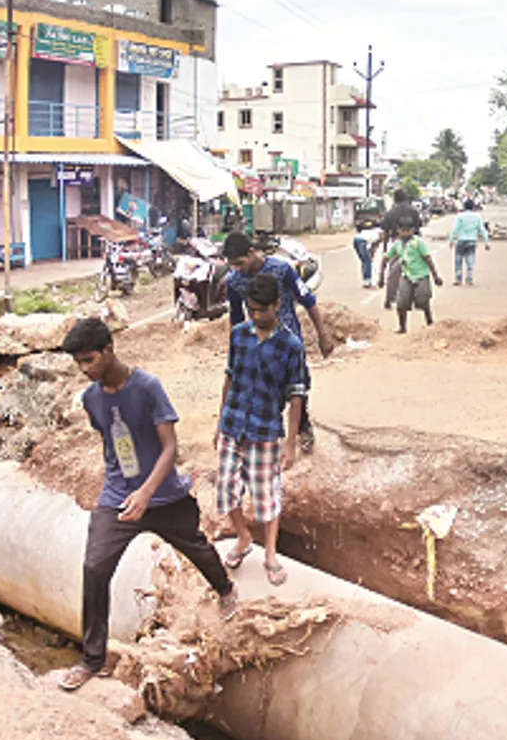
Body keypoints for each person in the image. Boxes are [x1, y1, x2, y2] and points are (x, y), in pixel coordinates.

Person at [58, 317, 236, 692]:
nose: (85, 370)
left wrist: (146, 493)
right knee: (94, 567)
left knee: (197, 548)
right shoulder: (91, 398)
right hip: (118, 497)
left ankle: (225, 589)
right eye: (79, 364)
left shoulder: (148, 387)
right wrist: (125, 489)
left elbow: (171, 448)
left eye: (90, 360)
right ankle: (92, 658)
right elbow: (109, 442)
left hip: (164, 495)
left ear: (109, 349)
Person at [217, 272, 307, 587]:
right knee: (226, 490)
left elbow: (296, 394)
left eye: (261, 310)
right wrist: (219, 422)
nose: (255, 316)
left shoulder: (291, 345)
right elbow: (229, 376)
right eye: (251, 309)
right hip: (233, 425)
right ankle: (243, 538)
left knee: (266, 496)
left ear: (277, 305)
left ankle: (270, 554)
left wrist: (291, 442)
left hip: (265, 430)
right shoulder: (239, 334)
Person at [222, 232, 333, 454]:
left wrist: (323, 334)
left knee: (296, 390)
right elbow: (236, 319)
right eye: (233, 265)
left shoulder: (282, 270)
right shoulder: (234, 282)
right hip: (257, 344)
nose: (238, 269)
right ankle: (263, 437)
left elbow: (307, 300)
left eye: (240, 263)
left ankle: (302, 427)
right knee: (258, 390)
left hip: (288, 342)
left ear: (251, 253)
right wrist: (237, 348)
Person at [383, 222, 443, 333]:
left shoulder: (418, 243)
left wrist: (435, 276)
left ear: (412, 230)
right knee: (401, 302)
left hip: (421, 275)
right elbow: (386, 258)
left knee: (424, 301)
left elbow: (428, 259)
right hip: (407, 275)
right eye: (403, 231)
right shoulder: (397, 244)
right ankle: (402, 327)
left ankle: (430, 323)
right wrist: (381, 277)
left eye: (408, 230)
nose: (405, 233)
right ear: (398, 230)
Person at [379, 189, 424, 308]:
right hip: (413, 245)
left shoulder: (391, 212)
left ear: (395, 199)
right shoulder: (413, 211)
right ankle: (416, 300)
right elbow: (419, 227)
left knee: (393, 273)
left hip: (397, 244)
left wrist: (385, 248)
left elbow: (385, 230)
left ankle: (389, 299)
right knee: (415, 271)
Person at [446, 197, 492, 286]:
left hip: (461, 240)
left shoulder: (460, 216)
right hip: (472, 240)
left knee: (458, 260)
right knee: (470, 260)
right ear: (473, 207)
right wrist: (487, 242)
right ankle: (469, 278)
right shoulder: (477, 217)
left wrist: (451, 240)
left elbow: (455, 229)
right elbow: (482, 230)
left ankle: (458, 279)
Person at [352, 221, 384, 288]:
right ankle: (367, 283)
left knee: (365, 261)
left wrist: (371, 255)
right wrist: (371, 255)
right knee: (367, 261)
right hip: (362, 241)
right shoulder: (381, 233)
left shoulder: (375, 230)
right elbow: (374, 246)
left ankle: (366, 280)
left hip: (356, 239)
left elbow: (373, 247)